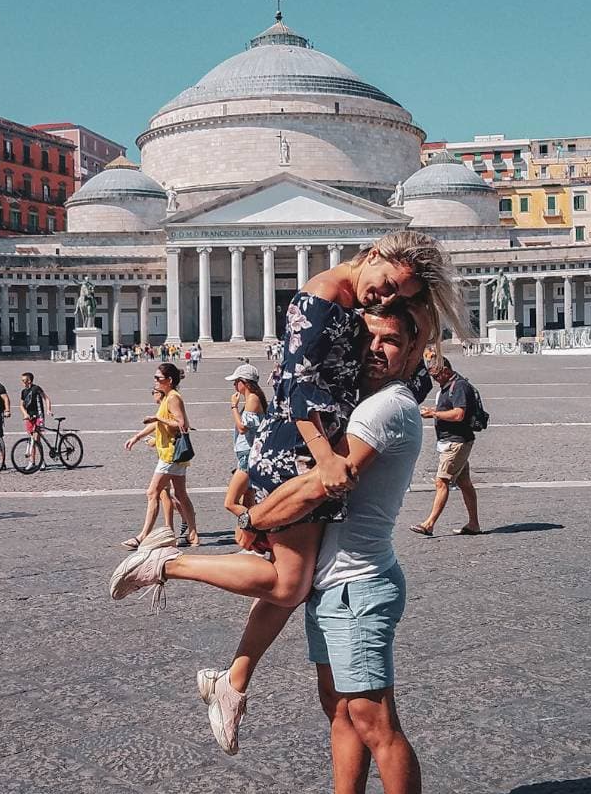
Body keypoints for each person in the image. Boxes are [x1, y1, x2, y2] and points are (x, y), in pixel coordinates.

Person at [205, 303, 442, 794]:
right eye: (370, 337)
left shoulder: (385, 407)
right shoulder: (359, 403)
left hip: (359, 588)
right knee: (340, 713)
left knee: (375, 720)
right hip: (332, 585)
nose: (376, 349)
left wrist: (254, 519)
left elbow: (322, 485)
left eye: (392, 342)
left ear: (417, 352)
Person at [110, 231, 464, 625]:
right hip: (296, 445)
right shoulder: (322, 296)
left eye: (395, 297)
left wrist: (420, 324)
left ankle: (233, 680)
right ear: (375, 254)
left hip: (313, 441)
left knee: (293, 582)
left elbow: (407, 377)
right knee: (288, 585)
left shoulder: (355, 294)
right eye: (388, 287)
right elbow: (297, 384)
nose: (385, 299)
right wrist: (326, 458)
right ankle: (167, 562)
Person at [121, 363, 198, 550]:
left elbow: (182, 424)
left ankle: (142, 536)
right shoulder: (167, 398)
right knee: (180, 494)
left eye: (158, 378)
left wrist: (158, 419)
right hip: (171, 453)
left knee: (152, 492)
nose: (155, 381)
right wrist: (137, 436)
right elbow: (159, 424)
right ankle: (193, 535)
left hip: (171, 453)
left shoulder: (173, 398)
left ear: (169, 380)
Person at [411, 355, 481, 536]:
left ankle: (429, 523)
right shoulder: (448, 386)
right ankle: (474, 524)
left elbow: (459, 414)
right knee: (464, 483)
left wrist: (434, 413)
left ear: (446, 371)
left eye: (437, 376)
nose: (435, 380)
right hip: (452, 441)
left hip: (456, 442)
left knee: (441, 481)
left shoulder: (459, 387)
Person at [224, 366, 268, 517]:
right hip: (245, 454)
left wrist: (233, 407)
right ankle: (254, 538)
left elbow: (242, 428)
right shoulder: (252, 399)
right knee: (248, 501)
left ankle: (259, 526)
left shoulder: (253, 399)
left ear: (244, 382)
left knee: (230, 503)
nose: (234, 385)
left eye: (236, 381)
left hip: (247, 456)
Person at [19, 372, 52, 469]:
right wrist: (25, 413)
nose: (22, 382)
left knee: (36, 439)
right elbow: (21, 405)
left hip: (39, 416)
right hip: (29, 417)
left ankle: (41, 461)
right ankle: (32, 462)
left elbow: (46, 398)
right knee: (31, 439)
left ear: (29, 380)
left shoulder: (36, 388)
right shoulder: (23, 392)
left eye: (23, 380)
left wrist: (48, 409)